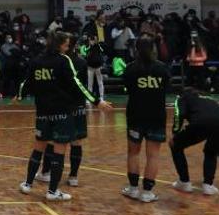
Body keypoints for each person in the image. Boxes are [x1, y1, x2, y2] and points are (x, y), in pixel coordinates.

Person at [15, 31, 111, 201]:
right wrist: (97, 102)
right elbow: (77, 84)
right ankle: (52, 192)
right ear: (59, 45)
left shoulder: (36, 61)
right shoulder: (63, 60)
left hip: (43, 113)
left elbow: (26, 82)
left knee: (38, 148)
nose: (68, 48)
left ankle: (28, 184)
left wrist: (20, 95)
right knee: (59, 151)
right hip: (62, 113)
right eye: (66, 45)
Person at [120, 36, 170, 202]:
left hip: (136, 115)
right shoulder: (162, 69)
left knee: (133, 152)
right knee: (153, 155)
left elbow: (127, 88)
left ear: (136, 49)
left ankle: (133, 189)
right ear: (153, 48)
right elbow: (167, 88)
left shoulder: (131, 69)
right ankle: (147, 192)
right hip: (156, 116)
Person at [170, 88, 219, 196]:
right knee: (211, 151)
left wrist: (175, 133)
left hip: (200, 122)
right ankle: (208, 185)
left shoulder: (182, 97)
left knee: (175, 145)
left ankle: (184, 182)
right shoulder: (210, 98)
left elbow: (179, 113)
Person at [84, 36, 105, 101]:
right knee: (90, 83)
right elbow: (85, 51)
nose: (93, 41)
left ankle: (101, 97)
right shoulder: (87, 46)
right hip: (90, 67)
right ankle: (89, 98)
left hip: (98, 67)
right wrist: (90, 44)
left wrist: (97, 43)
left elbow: (103, 50)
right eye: (91, 39)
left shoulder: (99, 46)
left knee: (100, 82)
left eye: (94, 39)